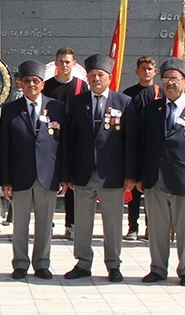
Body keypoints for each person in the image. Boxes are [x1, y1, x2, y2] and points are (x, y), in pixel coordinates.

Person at [125, 57, 185, 285]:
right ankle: (158, 268)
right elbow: (141, 144)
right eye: (165, 79)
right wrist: (138, 176)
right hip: (155, 179)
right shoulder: (152, 109)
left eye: (174, 79)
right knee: (157, 229)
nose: (169, 83)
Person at [62, 53, 133, 282]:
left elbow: (131, 141)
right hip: (83, 173)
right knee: (82, 221)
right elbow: (69, 140)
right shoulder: (77, 102)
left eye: (100, 75)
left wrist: (130, 175)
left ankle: (113, 265)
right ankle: (83, 263)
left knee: (112, 222)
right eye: (91, 75)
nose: (95, 79)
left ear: (109, 78)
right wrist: (68, 173)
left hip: (112, 174)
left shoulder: (124, 103)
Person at [0, 60, 67, 280]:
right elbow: (3, 147)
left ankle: (42, 264)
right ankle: (20, 264)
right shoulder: (10, 110)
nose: (31, 85)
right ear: (20, 83)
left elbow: (64, 145)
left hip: (48, 176)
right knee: (20, 223)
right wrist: (5, 180)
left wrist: (64, 177)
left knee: (45, 223)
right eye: (26, 81)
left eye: (35, 81)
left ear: (42, 84)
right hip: (20, 175)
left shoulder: (57, 108)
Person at [43, 47, 85, 238]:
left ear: (74, 64)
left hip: (74, 141)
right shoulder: (48, 86)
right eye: (61, 61)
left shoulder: (81, 86)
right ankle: (47, 223)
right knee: (50, 183)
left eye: (68, 61)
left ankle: (72, 224)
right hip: (51, 140)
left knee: (71, 183)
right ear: (56, 63)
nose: (64, 64)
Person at [121, 56, 159, 240]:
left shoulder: (160, 93)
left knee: (151, 191)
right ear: (137, 71)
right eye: (143, 68)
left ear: (155, 71)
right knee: (133, 189)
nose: (146, 71)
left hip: (152, 148)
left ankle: (151, 227)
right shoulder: (128, 94)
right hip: (134, 146)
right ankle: (132, 226)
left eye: (150, 68)